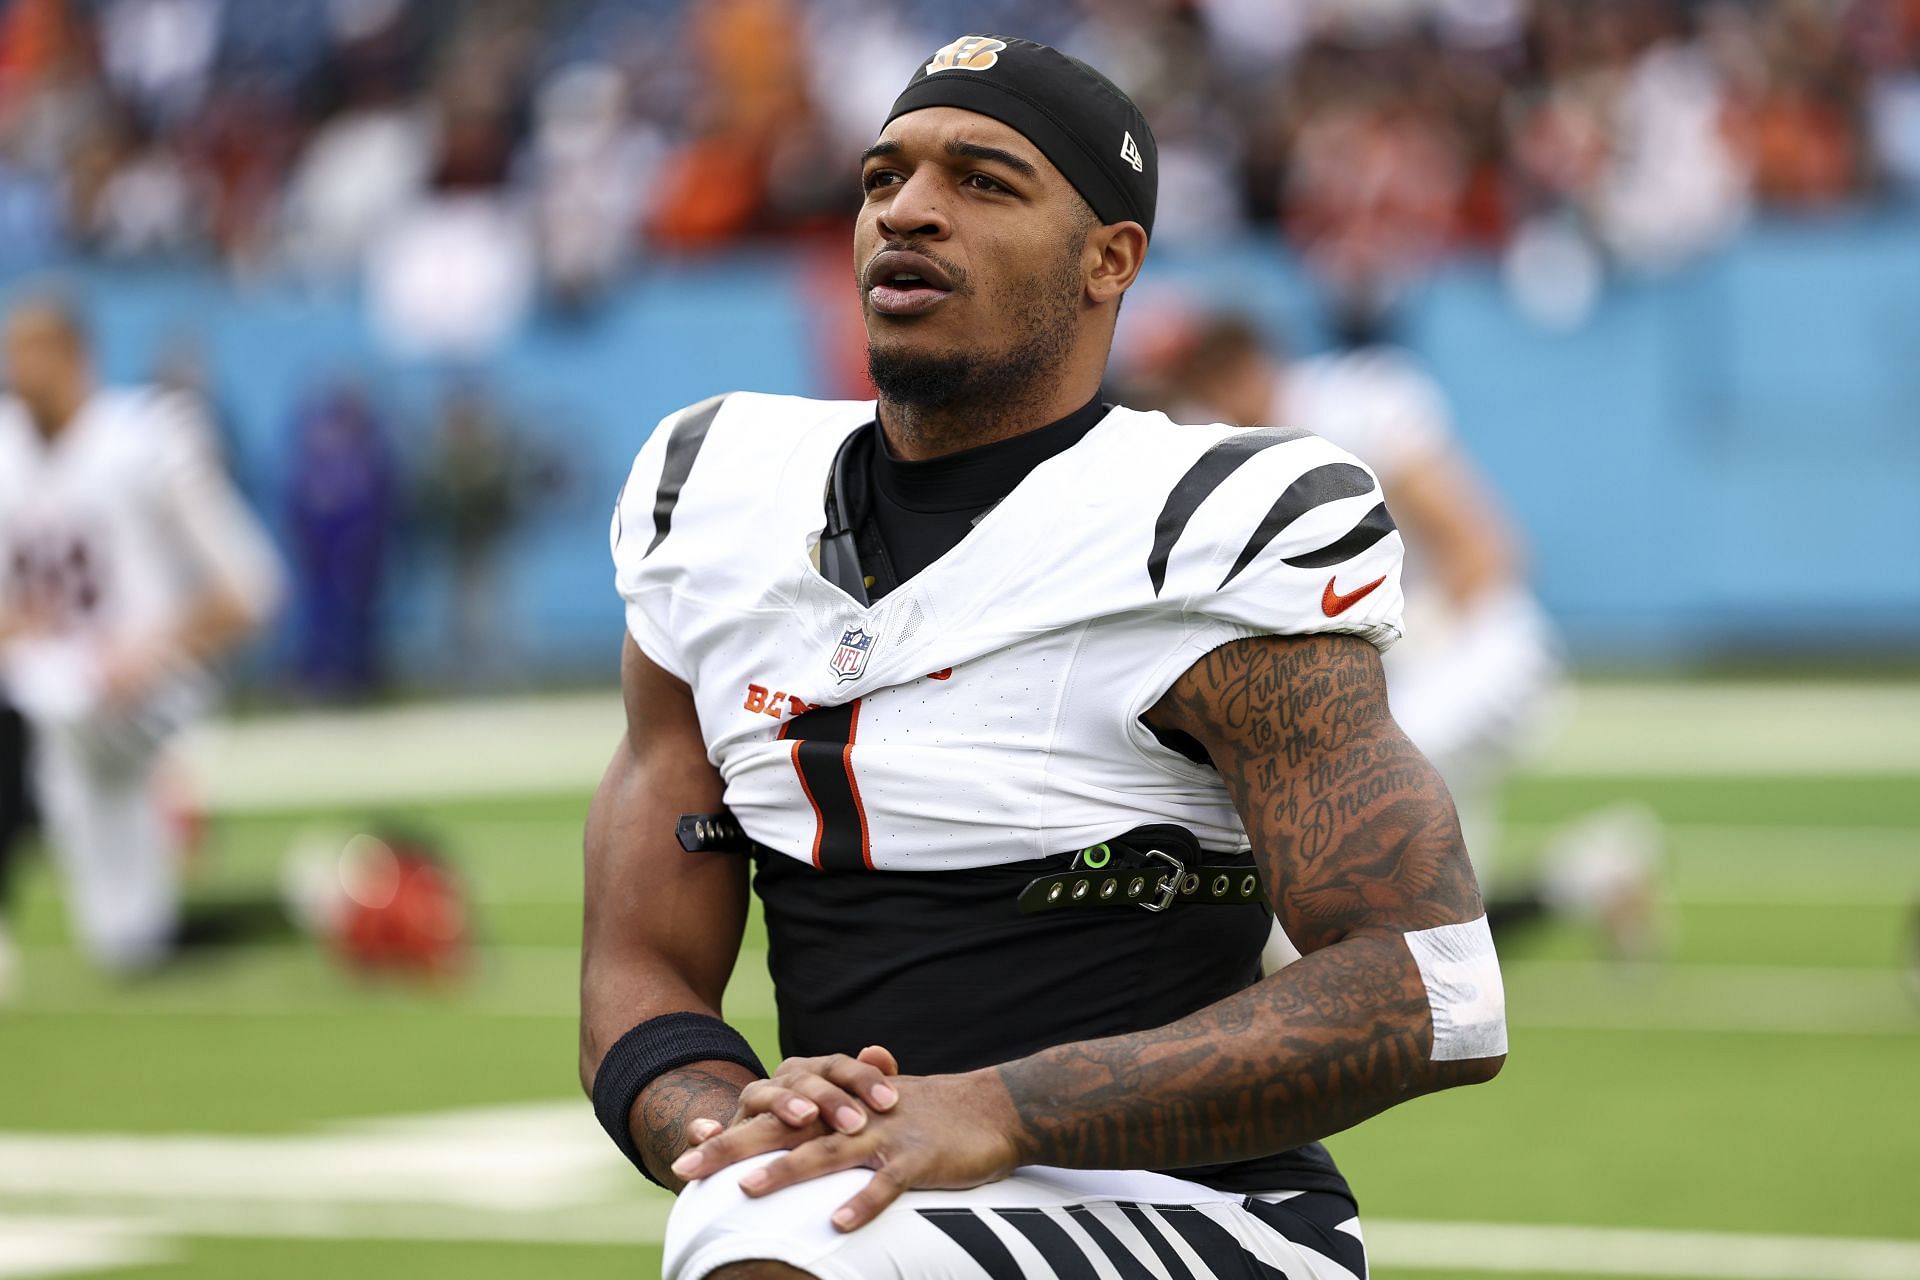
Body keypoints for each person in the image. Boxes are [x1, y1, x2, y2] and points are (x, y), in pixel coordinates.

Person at [582, 35, 1507, 1280]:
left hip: (1189, 1208)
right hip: (868, 1184)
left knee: (774, 1239)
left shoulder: (1216, 520)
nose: (908, 209)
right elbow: (641, 954)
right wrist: (719, 1117)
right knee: (761, 1204)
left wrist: (1001, 1107)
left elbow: (1431, 988)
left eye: (982, 180)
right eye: (881, 177)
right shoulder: (710, 497)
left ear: (1109, 259)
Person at [1146, 312, 1661, 957]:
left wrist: (1413, 645)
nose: (1199, 411)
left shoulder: (1351, 408)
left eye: (1204, 388)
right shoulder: (1230, 458)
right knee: (1437, 935)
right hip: (1412, 676)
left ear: (1242, 369)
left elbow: (1486, 550)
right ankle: (1596, 871)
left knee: (1335, 833)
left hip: (1481, 654)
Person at [0, 293, 283, 974]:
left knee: (20, 715)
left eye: (29, 353)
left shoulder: (145, 440)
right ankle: (290, 907)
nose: (14, 370)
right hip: (56, 691)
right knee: (127, 944)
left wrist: (152, 649)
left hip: (151, 685)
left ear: (75, 356)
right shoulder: (7, 449)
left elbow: (253, 588)